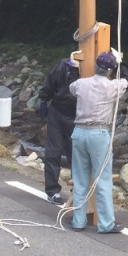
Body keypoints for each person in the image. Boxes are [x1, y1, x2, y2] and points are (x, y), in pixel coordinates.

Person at [67, 51, 128, 233]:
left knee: (80, 179)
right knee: (102, 179)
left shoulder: (82, 84)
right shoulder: (113, 87)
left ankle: (78, 221)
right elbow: (126, 78)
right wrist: (120, 62)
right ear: (110, 71)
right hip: (99, 133)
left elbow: (70, 86)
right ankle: (106, 223)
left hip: (79, 132)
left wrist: (73, 67)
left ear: (96, 66)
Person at [37, 51, 81, 204]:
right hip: (57, 112)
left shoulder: (90, 70)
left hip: (77, 116)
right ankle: (52, 191)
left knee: (76, 156)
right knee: (52, 153)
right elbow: (50, 83)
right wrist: (43, 100)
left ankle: (78, 191)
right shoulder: (64, 65)